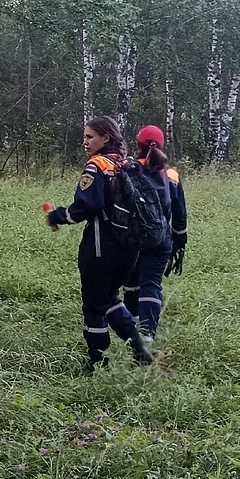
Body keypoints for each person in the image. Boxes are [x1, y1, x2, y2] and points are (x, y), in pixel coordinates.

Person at [44, 116, 153, 371]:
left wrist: (59, 215)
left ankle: (97, 363)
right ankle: (140, 351)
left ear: (106, 138)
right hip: (130, 249)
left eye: (90, 136)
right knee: (110, 297)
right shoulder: (128, 164)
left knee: (94, 304)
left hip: (100, 248)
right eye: (84, 137)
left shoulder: (96, 166)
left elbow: (88, 205)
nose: (85, 142)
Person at [123, 125, 188, 341]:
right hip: (161, 237)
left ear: (138, 144)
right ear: (161, 145)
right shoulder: (171, 175)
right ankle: (148, 333)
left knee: (131, 282)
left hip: (131, 237)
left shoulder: (127, 169)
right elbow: (179, 214)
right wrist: (179, 242)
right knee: (151, 283)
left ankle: (131, 325)